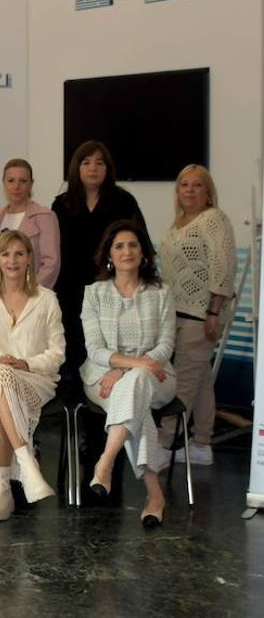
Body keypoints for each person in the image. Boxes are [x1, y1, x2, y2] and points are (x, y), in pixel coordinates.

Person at [0, 229, 64, 521]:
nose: (13, 260)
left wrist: (26, 363)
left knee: (3, 383)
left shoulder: (47, 299)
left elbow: (58, 353)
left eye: (20, 253)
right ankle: (27, 462)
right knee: (1, 376)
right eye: (6, 253)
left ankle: (2, 487)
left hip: (35, 378)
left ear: (30, 258)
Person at [81, 220, 176, 527]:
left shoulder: (160, 292)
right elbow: (94, 349)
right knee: (135, 406)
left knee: (133, 388)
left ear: (143, 252)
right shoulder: (94, 293)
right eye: (119, 246)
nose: (127, 251)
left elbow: (165, 345)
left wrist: (126, 370)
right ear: (109, 254)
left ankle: (105, 463)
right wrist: (128, 367)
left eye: (133, 245)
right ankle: (154, 496)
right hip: (102, 376)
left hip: (157, 376)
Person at [157, 164, 235, 466]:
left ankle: (164, 444)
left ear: (209, 191)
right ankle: (202, 443)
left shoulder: (214, 219)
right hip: (176, 312)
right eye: (183, 185)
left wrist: (214, 311)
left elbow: (223, 266)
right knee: (200, 379)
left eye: (197, 185)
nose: (189, 190)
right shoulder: (178, 223)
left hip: (202, 314)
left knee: (185, 382)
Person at [51, 140, 147, 384]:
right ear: (76, 167)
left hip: (111, 289)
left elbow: (140, 242)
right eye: (86, 162)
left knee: (106, 348)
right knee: (72, 352)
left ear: (108, 168)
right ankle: (73, 414)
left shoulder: (124, 201)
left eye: (99, 162)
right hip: (69, 291)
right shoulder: (61, 204)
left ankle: (103, 406)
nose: (93, 167)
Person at [0, 158, 60, 289]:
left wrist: (28, 291)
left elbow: (51, 263)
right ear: (3, 183)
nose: (16, 187)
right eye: (11, 181)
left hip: (31, 295)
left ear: (31, 184)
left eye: (23, 181)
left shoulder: (45, 216)